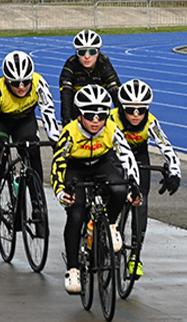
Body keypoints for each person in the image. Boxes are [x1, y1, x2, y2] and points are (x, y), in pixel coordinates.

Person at [52, 85, 140, 294]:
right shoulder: (70, 132)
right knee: (76, 213)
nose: (95, 120)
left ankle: (109, 225)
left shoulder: (111, 128)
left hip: (101, 164)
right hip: (75, 169)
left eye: (101, 115)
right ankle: (73, 269)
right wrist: (61, 191)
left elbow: (127, 157)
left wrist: (134, 185)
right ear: (80, 115)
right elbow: (58, 164)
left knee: (119, 189)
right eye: (90, 115)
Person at [107, 79, 182, 278]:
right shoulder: (110, 119)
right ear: (122, 107)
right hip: (114, 157)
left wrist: (174, 173)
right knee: (112, 193)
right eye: (131, 110)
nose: (136, 115)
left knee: (141, 203)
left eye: (141, 110)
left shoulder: (151, 122)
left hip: (140, 157)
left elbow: (167, 148)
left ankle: (135, 256)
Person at [0, 50, 59, 227]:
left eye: (26, 82)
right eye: (16, 83)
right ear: (7, 80)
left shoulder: (39, 84)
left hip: (24, 119)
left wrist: (56, 142)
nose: (22, 87)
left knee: (32, 150)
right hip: (0, 121)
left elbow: (48, 114)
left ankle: (38, 204)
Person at [59, 29, 121, 127]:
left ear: (98, 52)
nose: (87, 56)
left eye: (92, 52)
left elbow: (116, 91)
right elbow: (66, 96)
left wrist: (122, 119)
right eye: (82, 52)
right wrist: (66, 120)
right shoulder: (71, 64)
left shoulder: (104, 63)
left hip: (101, 112)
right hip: (79, 112)